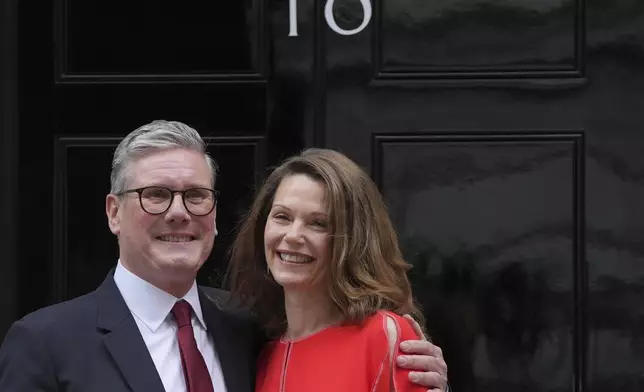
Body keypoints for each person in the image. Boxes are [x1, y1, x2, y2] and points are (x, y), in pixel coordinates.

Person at [0, 120, 447, 392]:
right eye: (155, 195)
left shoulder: (249, 327)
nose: (179, 213)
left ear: (214, 213)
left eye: (196, 195)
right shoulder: (44, 344)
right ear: (114, 212)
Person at [225, 148, 449, 392]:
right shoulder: (262, 354)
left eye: (318, 223)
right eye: (282, 217)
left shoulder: (384, 336)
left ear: (354, 240)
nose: (293, 235)